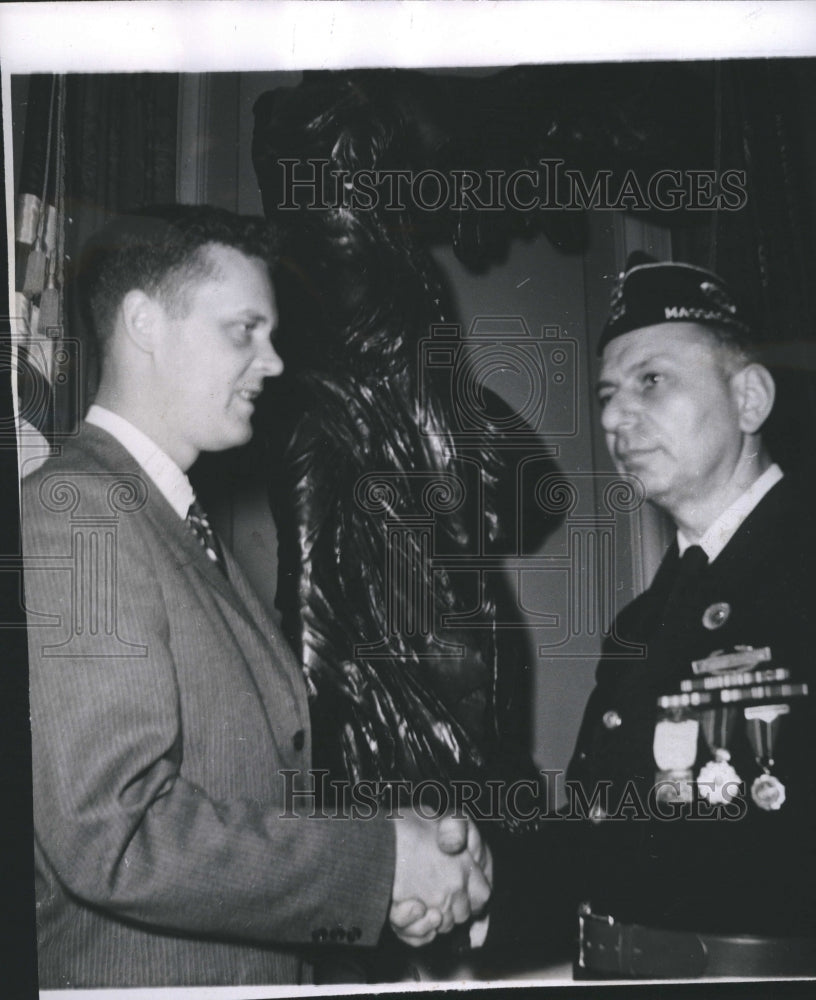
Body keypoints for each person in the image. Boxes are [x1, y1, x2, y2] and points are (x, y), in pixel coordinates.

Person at [20, 205, 490, 989]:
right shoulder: (78, 517)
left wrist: (394, 861)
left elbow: (248, 790)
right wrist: (381, 866)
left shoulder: (172, 524)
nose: (272, 362)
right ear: (144, 323)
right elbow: (115, 831)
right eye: (245, 329)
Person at [488, 254, 816, 979]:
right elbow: (608, 827)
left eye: (651, 380)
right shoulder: (644, 620)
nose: (616, 416)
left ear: (748, 400)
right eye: (607, 394)